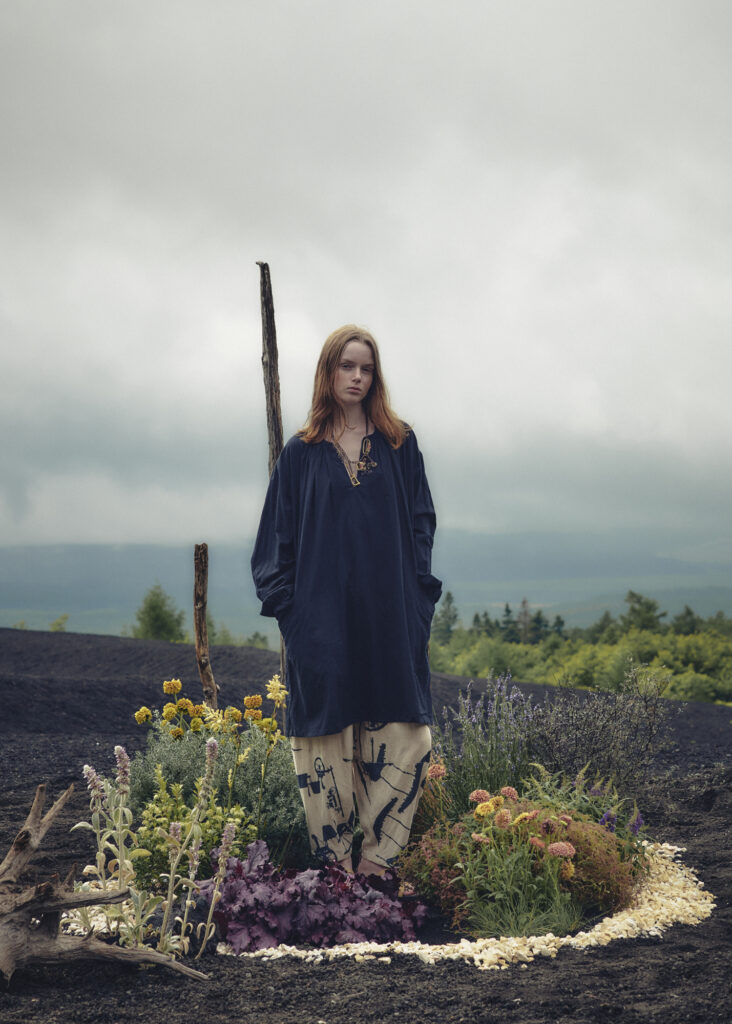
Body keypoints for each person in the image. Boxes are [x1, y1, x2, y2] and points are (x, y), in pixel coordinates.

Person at [251, 324, 442, 877]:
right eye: (347, 366)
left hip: (390, 620)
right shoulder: (301, 454)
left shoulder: (399, 445)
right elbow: (274, 544)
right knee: (323, 741)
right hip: (322, 625)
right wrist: (294, 616)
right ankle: (334, 869)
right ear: (328, 372)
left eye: (366, 369)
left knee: (406, 736)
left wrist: (416, 599)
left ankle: (380, 862)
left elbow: (422, 523)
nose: (357, 377)